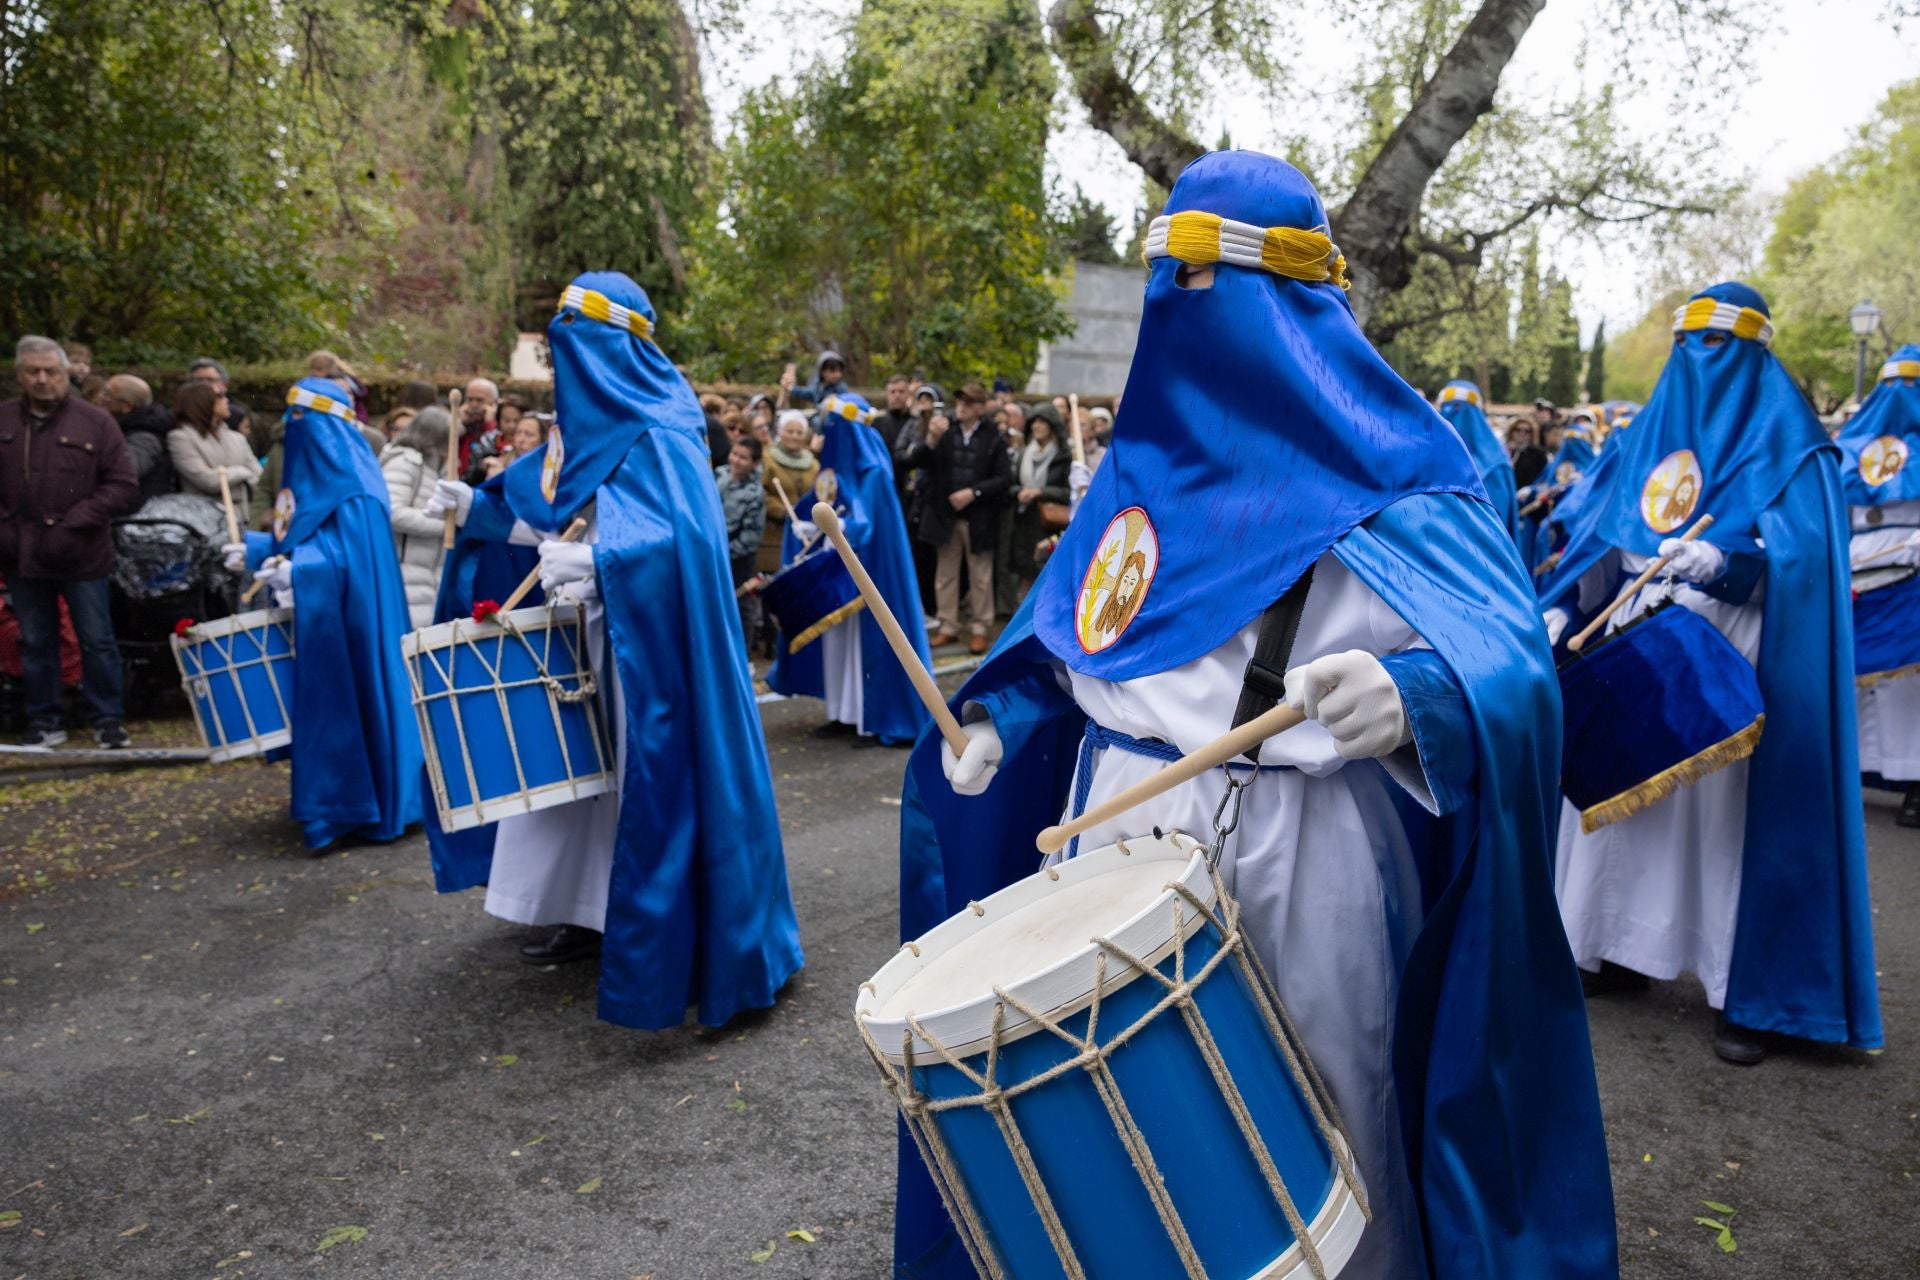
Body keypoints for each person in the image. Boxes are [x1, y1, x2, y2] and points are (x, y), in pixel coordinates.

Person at [894, 152, 1616, 1280]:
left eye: (1197, 280)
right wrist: (1005, 717)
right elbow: (1082, 645)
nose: (1172, 313)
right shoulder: (1136, 467)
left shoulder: (1401, 472)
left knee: (1324, 1121)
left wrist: (1418, 694)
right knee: (1116, 1150)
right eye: (1163, 280)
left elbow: (1515, 668)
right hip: (1102, 834)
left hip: (1295, 840)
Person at [422, 271, 803, 1028]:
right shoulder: (580, 433)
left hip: (644, 648)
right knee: (578, 785)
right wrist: (479, 509)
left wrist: (605, 566)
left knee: (637, 779)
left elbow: (687, 549)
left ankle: (661, 925)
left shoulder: (665, 428)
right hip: (584, 636)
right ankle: (583, 910)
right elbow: (540, 512)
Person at [1539, 282, 1883, 1066]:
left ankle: (1747, 994)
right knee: (1627, 809)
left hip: (1736, 653)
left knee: (1723, 825)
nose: (1698, 361)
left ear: (1755, 350)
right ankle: (1615, 948)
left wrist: (1726, 563)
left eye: (1717, 345)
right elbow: (1599, 536)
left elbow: (1806, 569)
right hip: (1638, 640)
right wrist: (1567, 605)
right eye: (1687, 343)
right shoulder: (1643, 433)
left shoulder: (1795, 447)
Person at [222, 378, 422, 850]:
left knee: (347, 706)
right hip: (322, 623)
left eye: (303, 419)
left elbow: (347, 565)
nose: (295, 429)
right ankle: (334, 807)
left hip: (348, 626)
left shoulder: (354, 489)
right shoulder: (316, 481)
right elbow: (305, 542)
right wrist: (255, 551)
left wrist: (297, 573)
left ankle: (352, 808)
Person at [768, 392, 932, 747]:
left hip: (866, 578)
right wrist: (804, 527)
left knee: (866, 648)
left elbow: (864, 527)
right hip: (837, 576)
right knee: (840, 649)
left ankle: (871, 718)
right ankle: (844, 714)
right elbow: (816, 507)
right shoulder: (835, 475)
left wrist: (833, 528)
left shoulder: (872, 474)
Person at [0, 337, 140, 748]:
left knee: (96, 638)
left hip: (82, 553)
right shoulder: (4, 420)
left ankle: (108, 720)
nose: (43, 379)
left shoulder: (96, 422)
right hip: (19, 552)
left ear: (66, 373)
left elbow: (122, 484)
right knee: (35, 639)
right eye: (33, 372)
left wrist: (77, 520)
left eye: (51, 371)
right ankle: (44, 720)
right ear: (19, 375)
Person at [1833, 344, 1920, 824]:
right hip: (1856, 584)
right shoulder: (1850, 449)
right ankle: (1861, 775)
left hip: (1910, 583)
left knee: (1907, 692)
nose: (1899, 395)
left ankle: (1915, 784)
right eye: (1892, 384)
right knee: (1858, 687)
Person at [907, 382, 1010, 654]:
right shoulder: (943, 429)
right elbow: (918, 460)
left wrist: (973, 493)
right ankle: (948, 626)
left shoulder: (994, 437)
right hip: (946, 515)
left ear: (979, 407)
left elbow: (1003, 479)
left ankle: (979, 628)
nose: (961, 407)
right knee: (945, 574)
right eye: (959, 402)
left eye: (968, 403)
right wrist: (929, 438)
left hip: (979, 518)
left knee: (980, 575)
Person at [379, 406, 455, 630]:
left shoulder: (434, 470)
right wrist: (445, 527)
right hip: (404, 575)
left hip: (425, 575)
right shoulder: (404, 462)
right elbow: (393, 512)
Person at [169, 381, 264, 525]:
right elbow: (207, 480)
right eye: (219, 396)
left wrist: (227, 474)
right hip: (204, 521)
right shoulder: (181, 438)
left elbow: (259, 478)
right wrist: (243, 472)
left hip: (243, 518)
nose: (226, 400)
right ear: (200, 401)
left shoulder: (237, 438)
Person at [1005, 400, 1070, 599]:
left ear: (1052, 425)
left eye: (1042, 422)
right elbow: (1010, 484)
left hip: (1049, 525)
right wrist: (1020, 492)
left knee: (1047, 575)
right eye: (1034, 421)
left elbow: (1069, 492)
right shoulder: (1023, 453)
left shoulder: (1064, 455)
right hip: (1024, 523)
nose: (1037, 426)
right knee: (1025, 575)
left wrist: (1040, 491)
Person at [1434, 380, 1516, 536]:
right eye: (1445, 407)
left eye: (1458, 407)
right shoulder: (1430, 457)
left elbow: (1498, 525)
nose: (1450, 412)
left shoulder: (1495, 465)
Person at [718, 437, 767, 646]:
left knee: (740, 604)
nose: (736, 460)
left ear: (754, 463)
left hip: (736, 557)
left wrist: (726, 552)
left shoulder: (755, 493)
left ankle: (743, 651)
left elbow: (751, 536)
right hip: (714, 550)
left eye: (743, 458)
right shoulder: (717, 475)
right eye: (735, 454)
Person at [758, 410, 819, 574]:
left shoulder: (813, 464)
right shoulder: (767, 458)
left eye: (799, 432)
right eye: (790, 431)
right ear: (780, 432)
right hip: (774, 531)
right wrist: (783, 511)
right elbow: (761, 492)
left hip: (805, 530)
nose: (795, 436)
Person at [102, 375, 176, 502]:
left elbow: (125, 471)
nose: (100, 398)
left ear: (127, 407)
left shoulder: (145, 437)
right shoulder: (125, 425)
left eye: (107, 395)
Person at [188, 357, 258, 455]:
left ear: (224, 384)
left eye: (210, 380)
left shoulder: (243, 415)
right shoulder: (181, 415)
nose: (204, 385)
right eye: (198, 380)